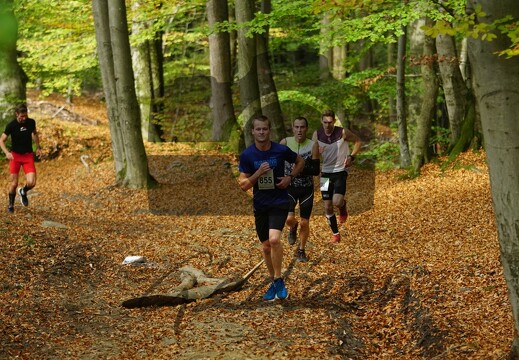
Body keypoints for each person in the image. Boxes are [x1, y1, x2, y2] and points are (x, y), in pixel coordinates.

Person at [238, 115, 304, 301]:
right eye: (258, 129)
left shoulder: (281, 150)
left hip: (279, 202)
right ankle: (274, 282)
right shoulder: (248, 155)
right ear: (252, 131)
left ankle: (279, 279)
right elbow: (243, 185)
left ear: (269, 130)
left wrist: (289, 177)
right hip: (261, 205)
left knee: (274, 240)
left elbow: (301, 162)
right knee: (266, 246)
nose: (261, 132)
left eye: (264, 129)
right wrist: (258, 173)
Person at [312, 109, 361, 243]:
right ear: (321, 121)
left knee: (337, 202)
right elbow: (313, 153)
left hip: (340, 171)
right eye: (325, 122)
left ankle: (342, 206)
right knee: (327, 206)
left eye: (330, 122)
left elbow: (358, 141)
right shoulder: (317, 134)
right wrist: (316, 153)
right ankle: (335, 233)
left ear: (333, 121)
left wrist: (351, 156)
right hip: (325, 173)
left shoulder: (342, 132)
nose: (327, 125)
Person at [280, 117, 320, 262]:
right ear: (293, 128)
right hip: (289, 187)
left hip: (306, 188)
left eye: (302, 127)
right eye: (296, 127)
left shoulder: (312, 145)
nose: (299, 130)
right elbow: (278, 163)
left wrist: (303, 168)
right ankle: (293, 226)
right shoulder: (285, 143)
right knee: (289, 219)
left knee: (305, 222)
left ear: (306, 129)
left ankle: (301, 250)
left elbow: (316, 170)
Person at [0, 103, 42, 213]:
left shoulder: (31, 122)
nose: (24, 118)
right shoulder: (11, 125)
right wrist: (6, 153)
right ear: (16, 114)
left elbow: (35, 133)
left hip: (28, 156)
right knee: (14, 183)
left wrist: (38, 147)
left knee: (32, 183)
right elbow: (1, 140)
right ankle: (11, 205)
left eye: (25, 116)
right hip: (15, 157)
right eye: (21, 116)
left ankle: (23, 191)